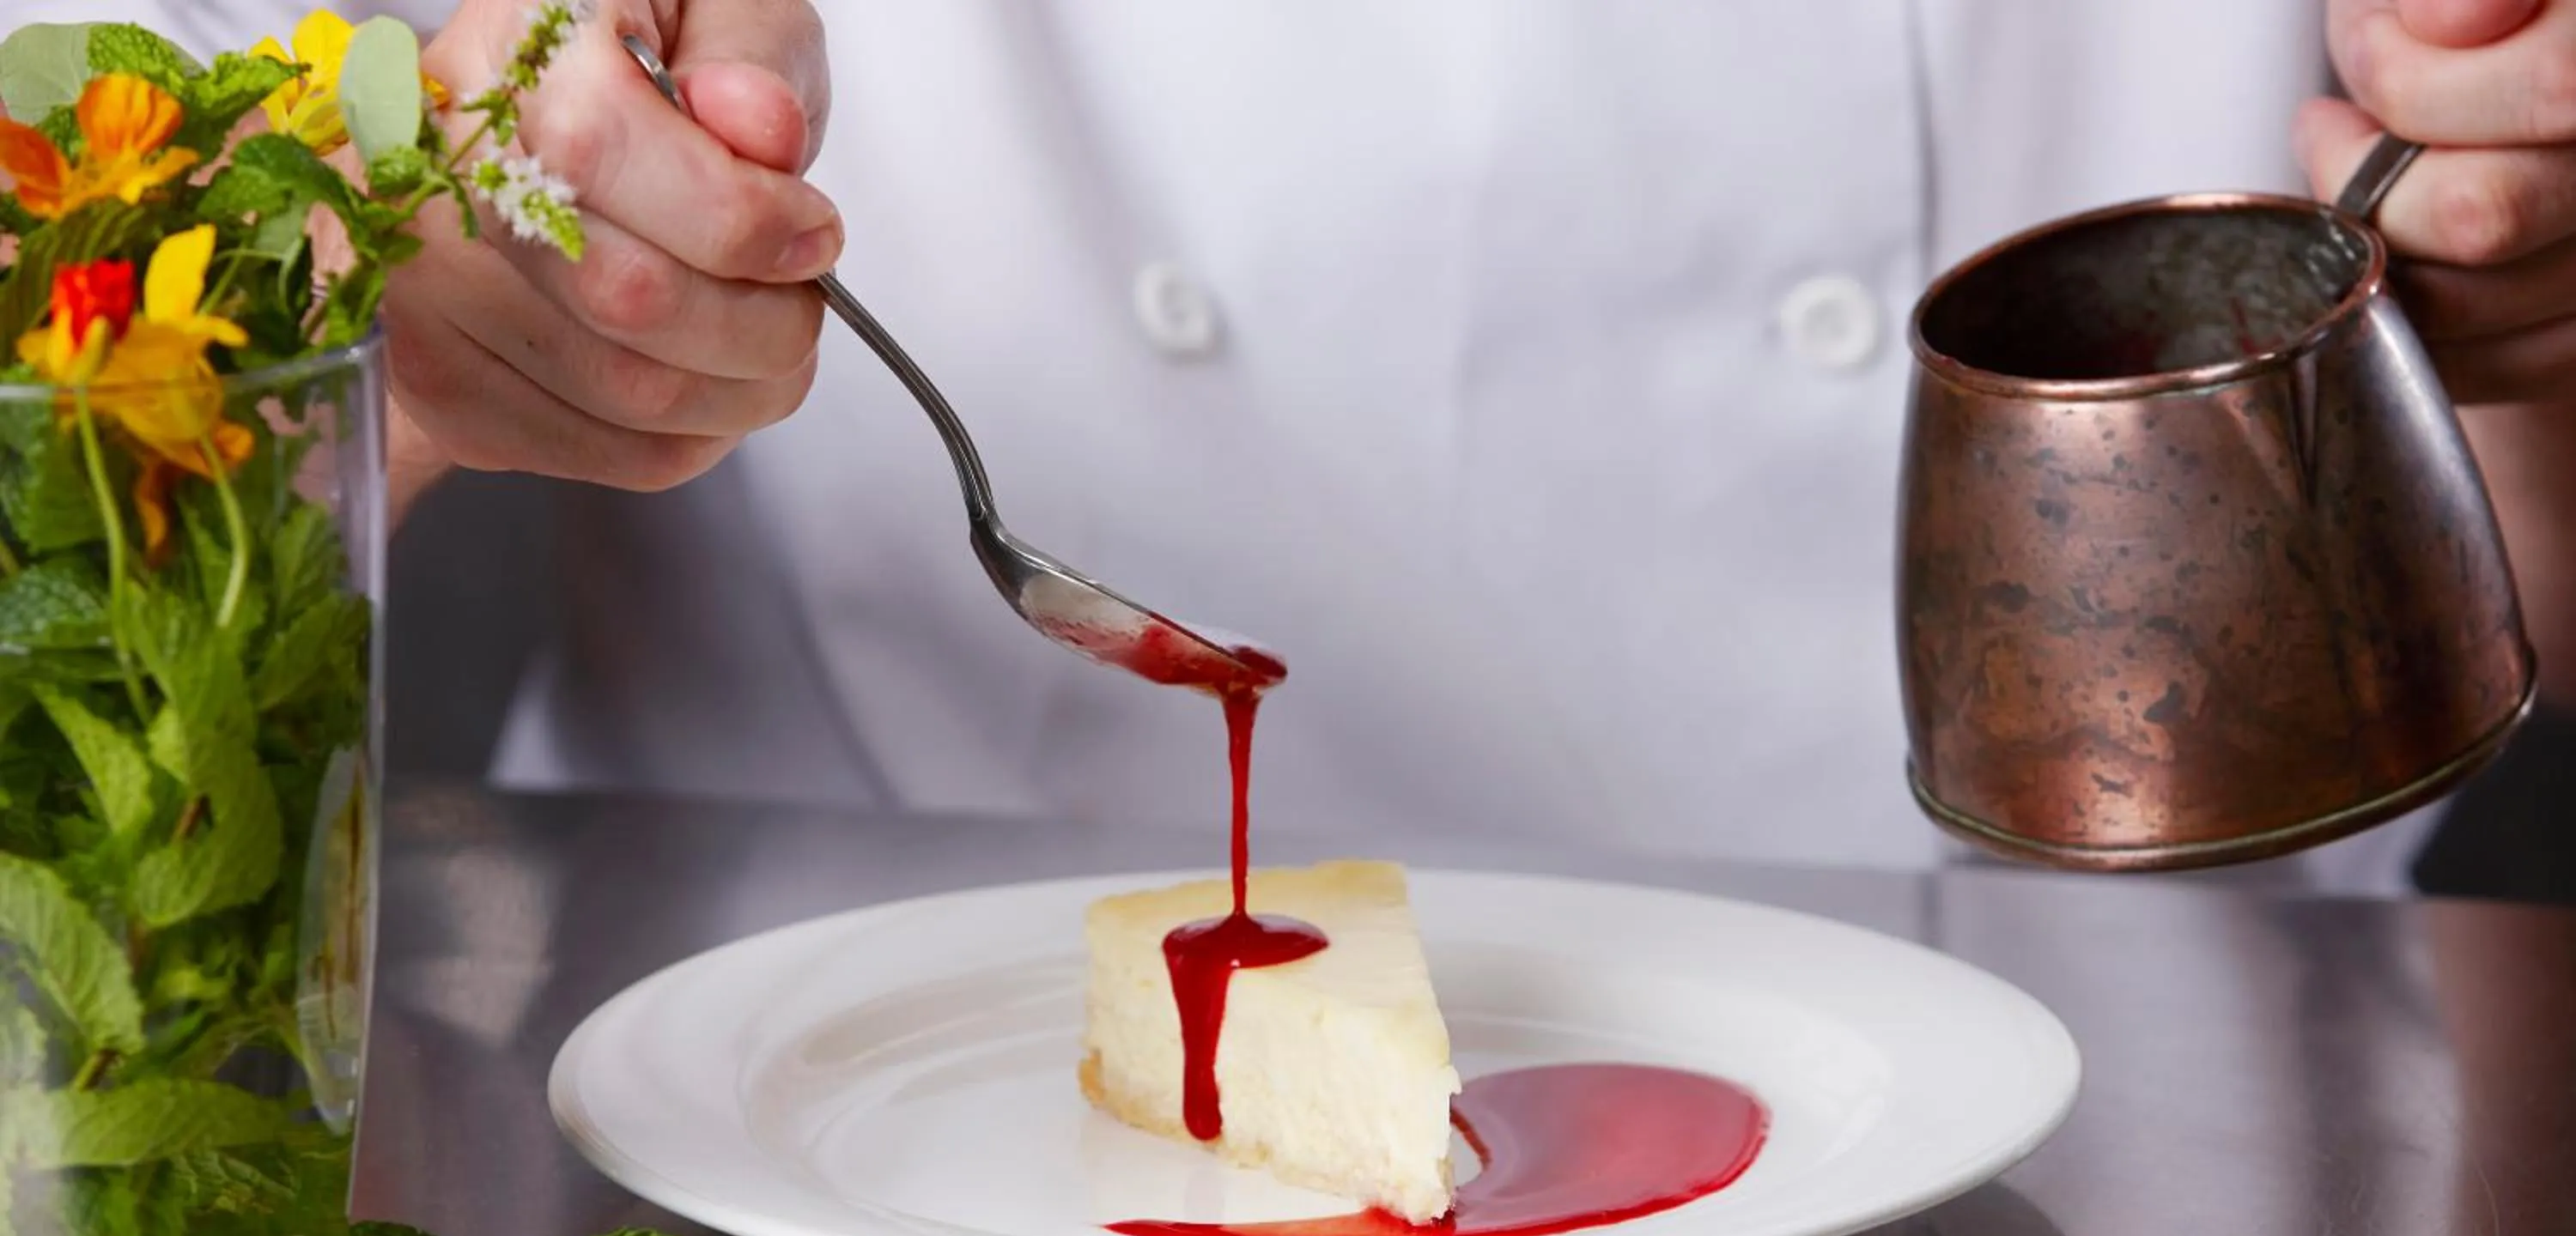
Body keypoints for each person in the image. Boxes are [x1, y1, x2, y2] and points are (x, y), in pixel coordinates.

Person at [48, 0, 2576, 878]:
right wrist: (369, 289)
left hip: (2163, 1182)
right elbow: (89, 334)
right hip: (822, 1193)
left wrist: (2534, 309)